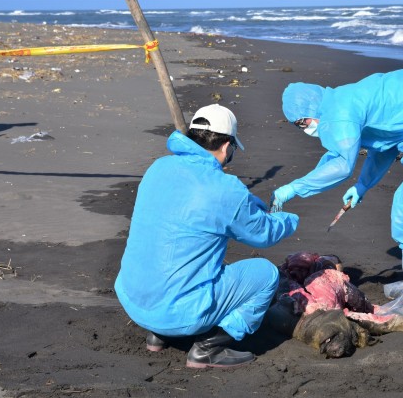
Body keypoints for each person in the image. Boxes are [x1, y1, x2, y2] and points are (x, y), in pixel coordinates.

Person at [270, 69, 403, 321]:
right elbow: (383, 147)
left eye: (302, 123)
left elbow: (342, 164)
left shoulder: (338, 112)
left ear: (312, 109)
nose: (306, 129)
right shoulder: (343, 99)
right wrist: (362, 186)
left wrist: (292, 188)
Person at [115, 104, 299, 368]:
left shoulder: (159, 167)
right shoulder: (224, 188)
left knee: (187, 255)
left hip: (134, 301)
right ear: (226, 147)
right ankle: (209, 347)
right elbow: (263, 234)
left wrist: (249, 203)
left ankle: (158, 335)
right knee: (266, 275)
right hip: (176, 313)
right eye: (233, 149)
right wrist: (289, 219)